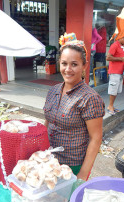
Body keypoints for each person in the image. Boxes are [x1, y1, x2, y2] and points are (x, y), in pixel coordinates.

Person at [43, 33, 105, 181]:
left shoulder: (90, 98)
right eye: (64, 63)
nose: (68, 69)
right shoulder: (53, 90)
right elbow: (47, 122)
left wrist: (83, 174)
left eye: (74, 64)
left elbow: (96, 138)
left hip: (72, 166)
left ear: (84, 65)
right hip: (49, 160)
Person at [106, 36, 124, 115]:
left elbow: (122, 57)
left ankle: (112, 106)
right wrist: (121, 59)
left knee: (116, 90)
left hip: (120, 72)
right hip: (114, 72)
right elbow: (108, 58)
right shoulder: (115, 45)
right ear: (121, 38)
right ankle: (110, 106)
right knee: (113, 90)